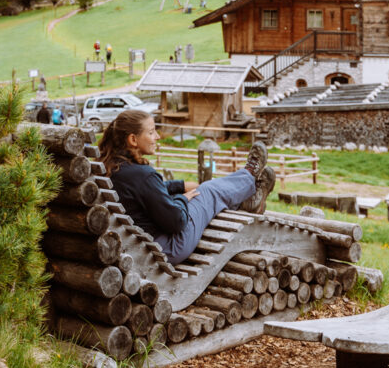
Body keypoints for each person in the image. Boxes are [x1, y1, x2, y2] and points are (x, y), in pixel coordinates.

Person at [100, 110, 275, 266]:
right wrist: (182, 198)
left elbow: (144, 192)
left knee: (203, 190)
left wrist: (179, 185)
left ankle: (248, 198)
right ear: (133, 139)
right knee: (207, 191)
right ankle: (249, 176)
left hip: (134, 246)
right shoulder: (143, 175)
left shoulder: (108, 167)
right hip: (163, 249)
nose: (158, 137)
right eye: (152, 132)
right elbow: (176, 222)